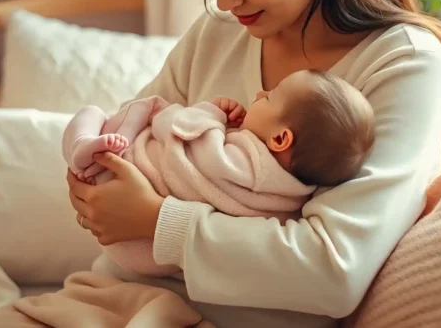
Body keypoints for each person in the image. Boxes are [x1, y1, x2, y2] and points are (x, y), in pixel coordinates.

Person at [0, 0, 441, 326]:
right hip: (110, 297)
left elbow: (334, 270)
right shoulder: (219, 31)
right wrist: (97, 177)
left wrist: (159, 223)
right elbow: (132, 131)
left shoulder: (403, 64)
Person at [62, 69, 375, 278]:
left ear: (280, 139)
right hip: (146, 256)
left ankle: (82, 146)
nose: (260, 93)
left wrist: (212, 112)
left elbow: (185, 135)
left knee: (95, 114)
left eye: (271, 96)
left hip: (124, 174)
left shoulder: (241, 160)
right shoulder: (288, 198)